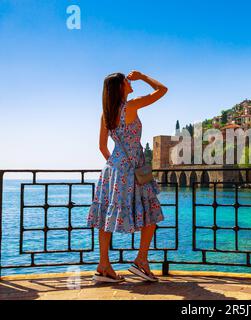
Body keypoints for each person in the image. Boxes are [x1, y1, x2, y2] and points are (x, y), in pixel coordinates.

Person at [87, 70, 168, 282]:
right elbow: (163, 90)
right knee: (150, 212)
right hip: (136, 167)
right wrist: (142, 76)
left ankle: (104, 265)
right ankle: (141, 261)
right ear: (121, 86)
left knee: (106, 216)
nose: (130, 82)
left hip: (112, 169)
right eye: (127, 80)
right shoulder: (131, 105)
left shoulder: (106, 113)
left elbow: (102, 147)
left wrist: (117, 164)